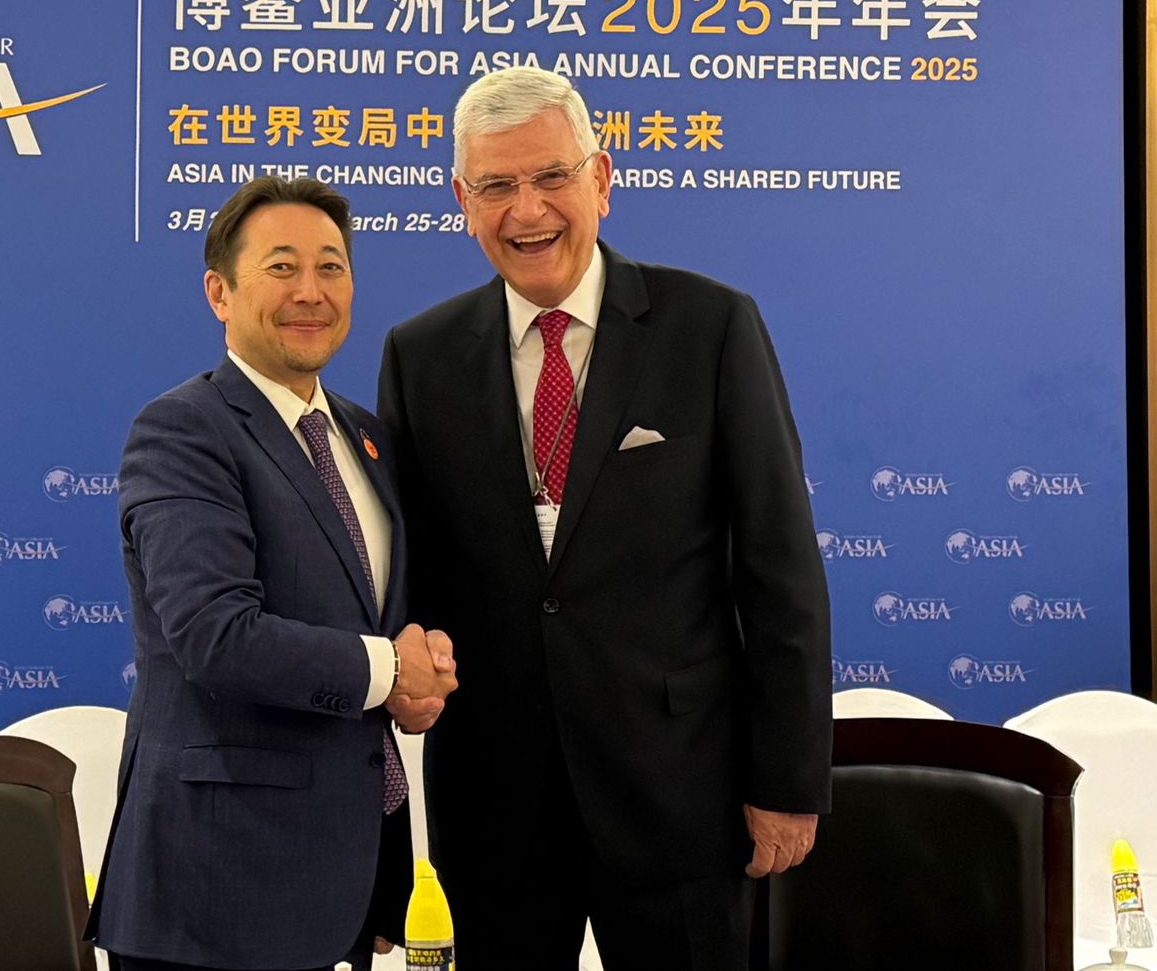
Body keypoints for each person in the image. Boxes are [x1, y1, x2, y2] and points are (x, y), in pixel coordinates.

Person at [377, 66, 831, 970]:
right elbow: (413, 575)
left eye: (552, 176)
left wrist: (786, 779)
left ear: (602, 179)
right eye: (497, 185)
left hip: (683, 800)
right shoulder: (418, 356)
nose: (528, 210)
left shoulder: (710, 326)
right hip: (495, 809)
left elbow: (779, 569)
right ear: (462, 201)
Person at [93, 176, 458, 971]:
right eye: (282, 267)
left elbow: (371, 618)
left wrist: (422, 666)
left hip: (339, 883)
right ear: (219, 292)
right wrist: (391, 669)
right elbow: (216, 635)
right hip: (215, 892)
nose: (310, 291)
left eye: (331, 267)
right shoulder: (184, 431)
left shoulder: (364, 436)